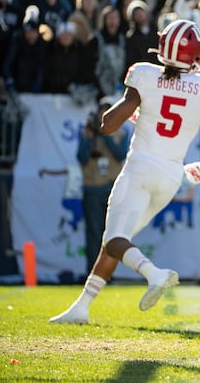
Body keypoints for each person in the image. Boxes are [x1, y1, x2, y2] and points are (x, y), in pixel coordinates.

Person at [50, 19, 200, 324]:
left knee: (114, 240)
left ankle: (154, 273)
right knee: (116, 240)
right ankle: (81, 308)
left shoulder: (145, 75)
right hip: (169, 178)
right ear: (195, 55)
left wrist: (125, 108)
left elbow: (108, 125)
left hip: (140, 168)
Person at [77, 96, 131, 275]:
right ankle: (91, 273)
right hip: (92, 188)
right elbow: (81, 157)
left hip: (111, 189)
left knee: (110, 235)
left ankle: (107, 274)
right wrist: (90, 138)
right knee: (93, 233)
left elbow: (119, 154)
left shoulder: (121, 133)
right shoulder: (87, 132)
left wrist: (105, 133)